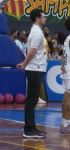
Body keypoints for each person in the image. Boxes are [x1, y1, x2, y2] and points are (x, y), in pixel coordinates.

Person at [17, 9, 47, 138]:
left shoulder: (37, 32)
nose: (45, 19)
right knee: (32, 100)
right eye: (43, 17)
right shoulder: (37, 33)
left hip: (36, 68)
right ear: (37, 18)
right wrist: (24, 64)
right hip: (35, 69)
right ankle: (28, 129)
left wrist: (24, 63)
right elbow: (31, 52)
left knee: (33, 100)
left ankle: (31, 126)